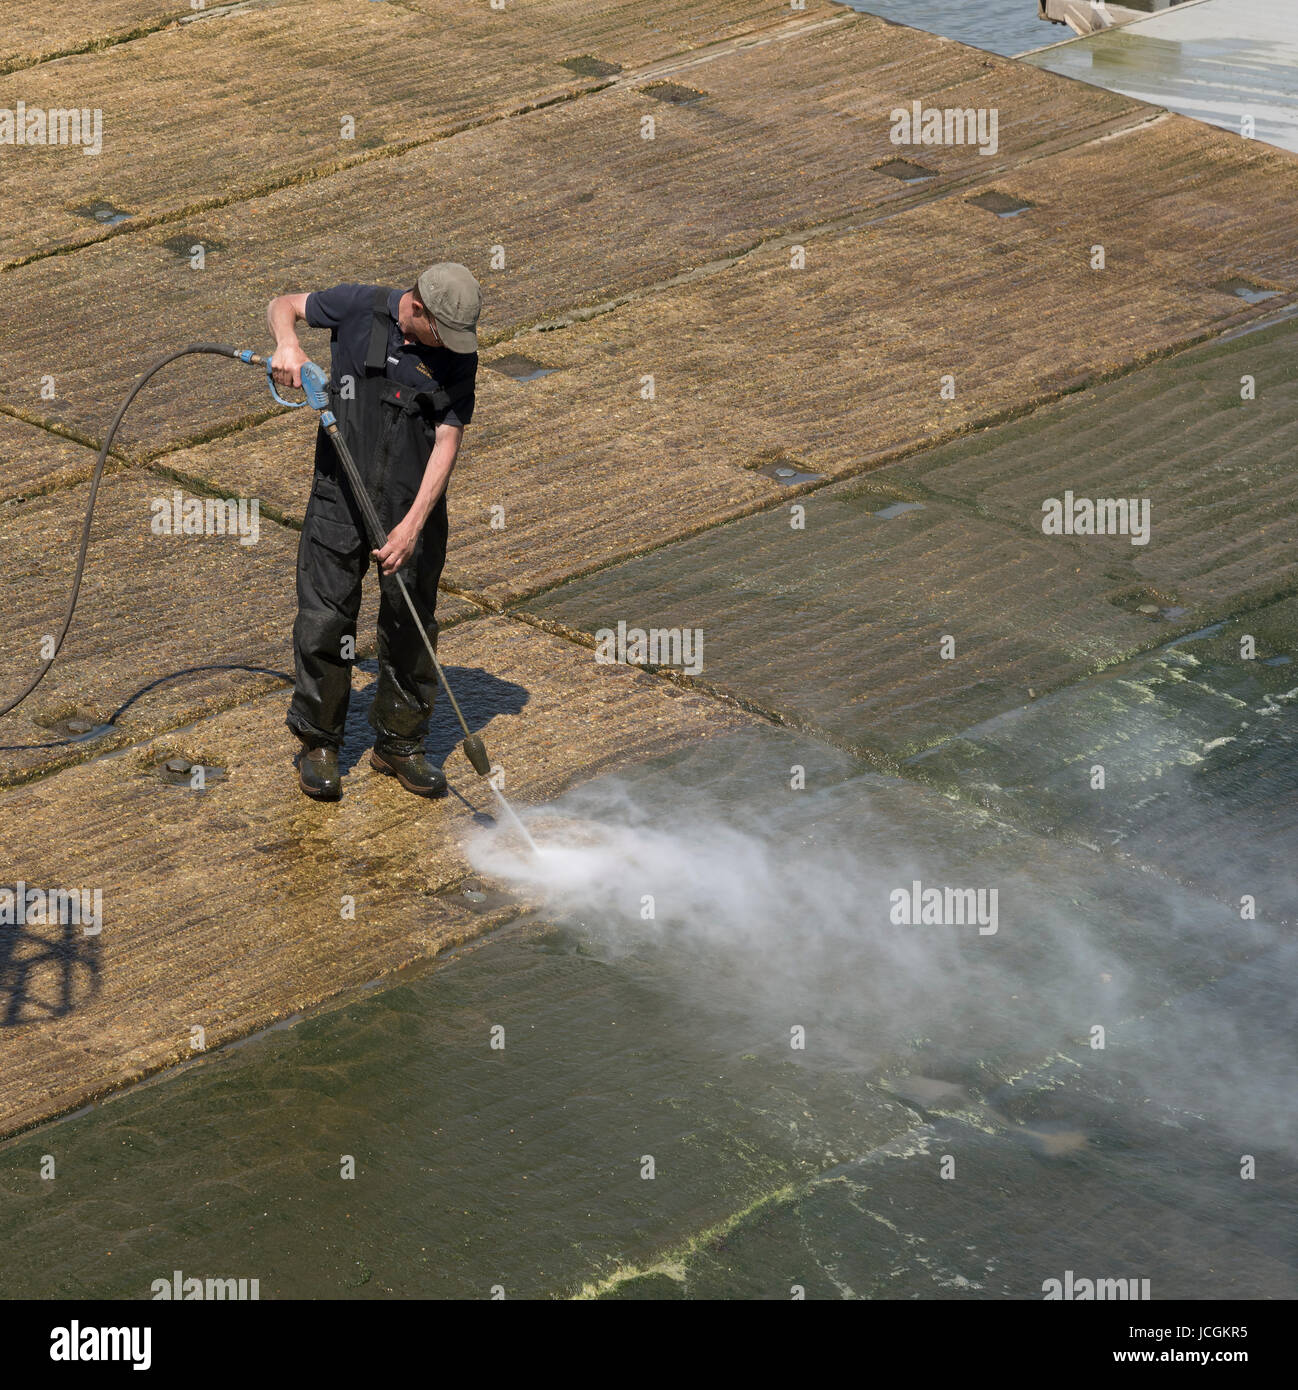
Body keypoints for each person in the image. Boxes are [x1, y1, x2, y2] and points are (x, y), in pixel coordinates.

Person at [266, 263, 482, 800]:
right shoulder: (358, 304)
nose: (454, 345)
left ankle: (400, 745)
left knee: (410, 626)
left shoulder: (458, 356)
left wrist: (412, 525)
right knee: (325, 618)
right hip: (339, 495)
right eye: (445, 332)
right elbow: (284, 303)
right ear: (418, 310)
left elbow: (448, 441)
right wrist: (288, 345)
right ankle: (319, 743)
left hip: (410, 506)